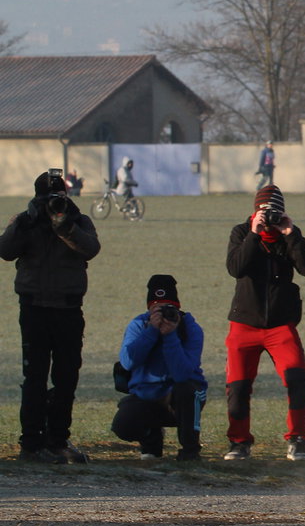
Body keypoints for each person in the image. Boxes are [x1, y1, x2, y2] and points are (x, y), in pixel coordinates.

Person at [0, 170, 101, 463]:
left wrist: (64, 225)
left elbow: (91, 248)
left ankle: (57, 439)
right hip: (34, 308)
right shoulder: (25, 221)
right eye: (48, 199)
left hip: (68, 308)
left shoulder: (77, 220)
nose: (52, 204)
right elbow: (5, 251)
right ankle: (31, 444)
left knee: (66, 376)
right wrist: (26, 222)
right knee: (34, 377)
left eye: (57, 198)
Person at [224, 185, 305, 461]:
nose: (269, 216)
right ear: (255, 211)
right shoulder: (241, 233)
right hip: (244, 323)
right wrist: (254, 234)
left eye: (274, 211)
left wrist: (292, 234)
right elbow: (235, 268)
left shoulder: (287, 236)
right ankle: (239, 442)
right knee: (238, 385)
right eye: (264, 211)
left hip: (280, 325)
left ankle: (298, 439)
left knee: (298, 379)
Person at [112, 275, 205, 460]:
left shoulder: (190, 328)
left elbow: (182, 375)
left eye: (169, 308)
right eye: (157, 309)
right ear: (149, 309)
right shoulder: (139, 325)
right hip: (147, 394)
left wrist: (171, 336)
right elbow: (128, 362)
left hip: (181, 397)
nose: (163, 314)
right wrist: (151, 332)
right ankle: (151, 441)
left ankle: (190, 451)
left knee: (186, 390)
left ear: (178, 308)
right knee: (124, 426)